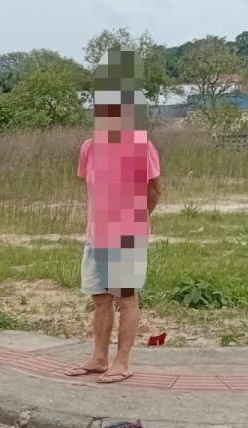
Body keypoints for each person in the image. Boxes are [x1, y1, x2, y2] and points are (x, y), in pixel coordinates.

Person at [65, 48, 161, 384]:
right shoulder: (89, 147)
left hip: (126, 234)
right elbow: (90, 189)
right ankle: (98, 358)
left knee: (126, 298)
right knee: (101, 299)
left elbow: (154, 191)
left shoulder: (140, 146)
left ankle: (122, 362)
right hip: (95, 234)